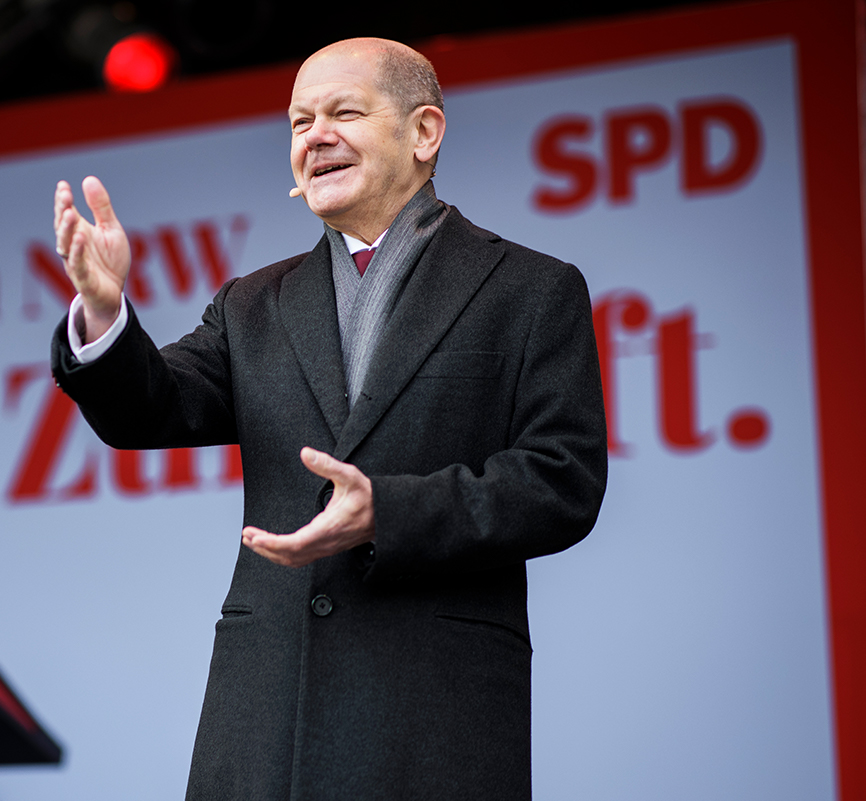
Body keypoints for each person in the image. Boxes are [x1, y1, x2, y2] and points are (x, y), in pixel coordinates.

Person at [50, 37, 606, 801]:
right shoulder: (253, 304)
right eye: (298, 121)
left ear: (424, 133)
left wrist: (390, 511)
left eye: (343, 112)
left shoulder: (530, 289)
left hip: (435, 712)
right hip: (267, 709)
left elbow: (561, 481)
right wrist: (107, 312)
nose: (315, 135)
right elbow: (153, 408)